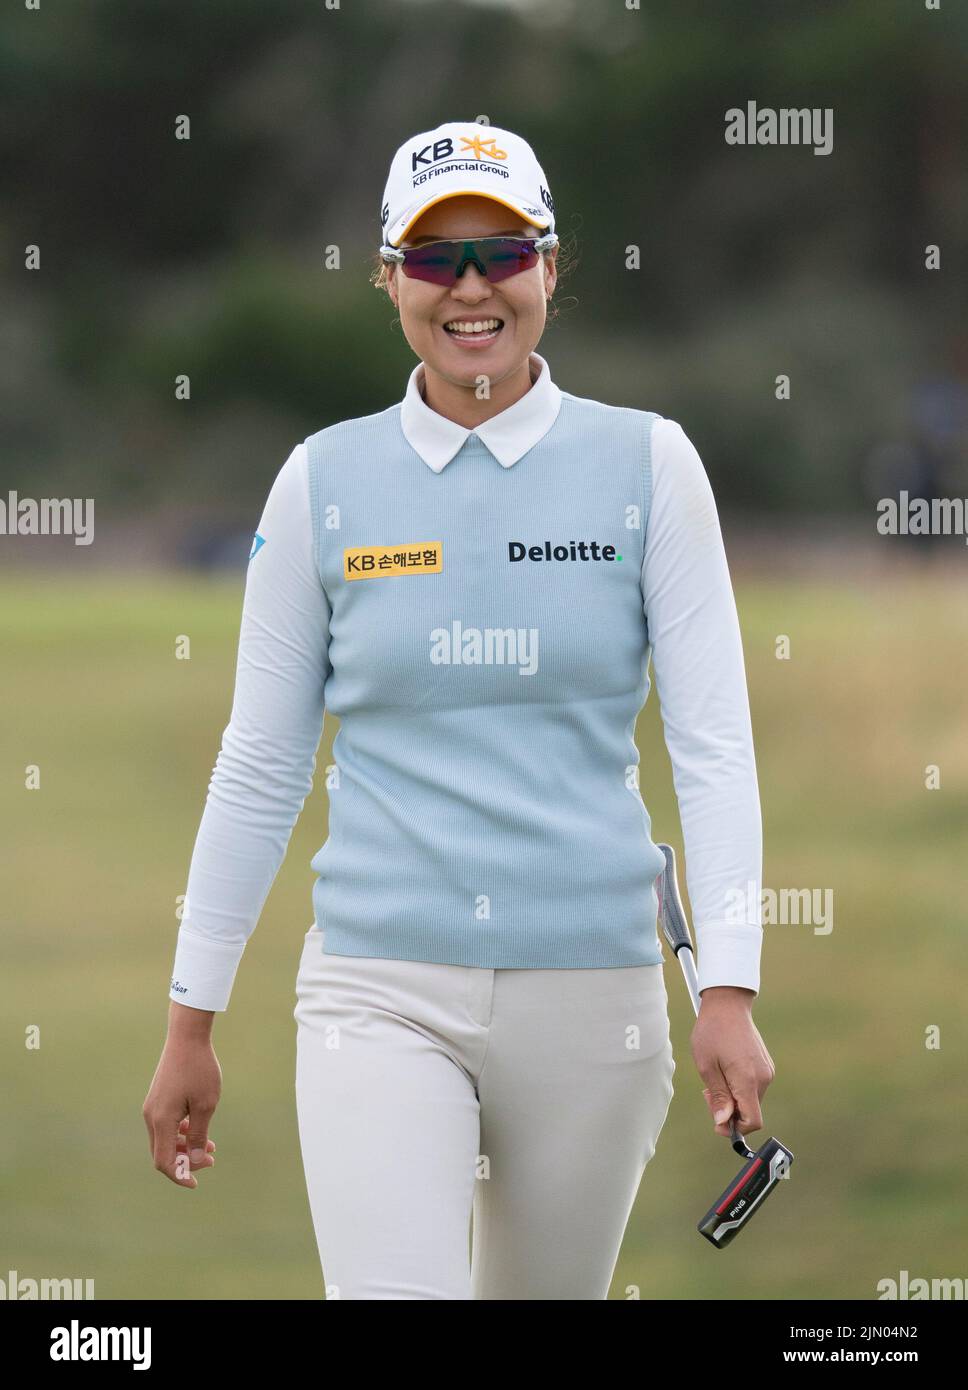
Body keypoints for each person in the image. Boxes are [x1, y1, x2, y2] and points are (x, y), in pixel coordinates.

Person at [143, 119, 774, 1300]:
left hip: (594, 995)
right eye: (434, 259)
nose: (470, 286)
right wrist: (191, 1019)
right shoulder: (321, 479)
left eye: (501, 250)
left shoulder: (648, 466)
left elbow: (712, 746)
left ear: (548, 264)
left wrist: (726, 987)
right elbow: (262, 761)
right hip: (376, 987)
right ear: (388, 278)